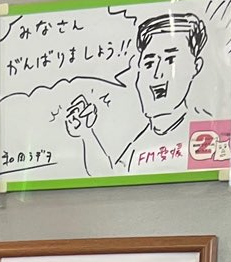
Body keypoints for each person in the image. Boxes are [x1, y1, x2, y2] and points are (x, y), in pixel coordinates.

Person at [63, 10, 207, 175]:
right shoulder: (140, 145)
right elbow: (111, 178)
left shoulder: (205, 136)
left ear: (196, 67)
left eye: (170, 61)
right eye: (149, 63)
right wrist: (86, 133)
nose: (157, 73)